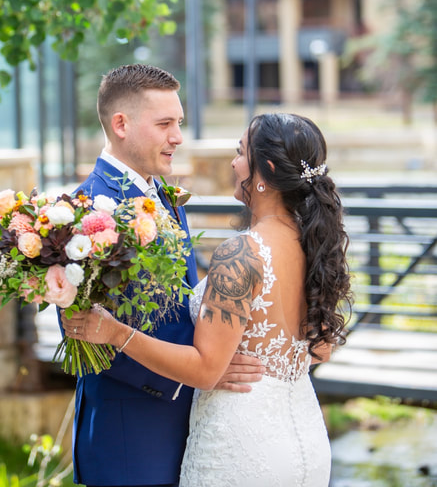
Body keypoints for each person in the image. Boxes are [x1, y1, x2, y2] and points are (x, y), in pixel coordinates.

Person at [63, 111, 353, 487]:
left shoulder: (241, 254)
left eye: (240, 152)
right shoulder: (316, 245)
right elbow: (320, 350)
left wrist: (115, 332)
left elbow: (205, 371)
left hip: (243, 443)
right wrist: (268, 363)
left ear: (264, 172)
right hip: (304, 436)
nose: (233, 163)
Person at [63, 64, 263, 487]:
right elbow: (82, 329)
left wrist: (211, 358)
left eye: (179, 123)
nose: (178, 137)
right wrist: (201, 370)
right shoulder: (86, 209)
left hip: (184, 430)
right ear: (121, 124)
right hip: (130, 442)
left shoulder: (162, 196)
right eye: (164, 124)